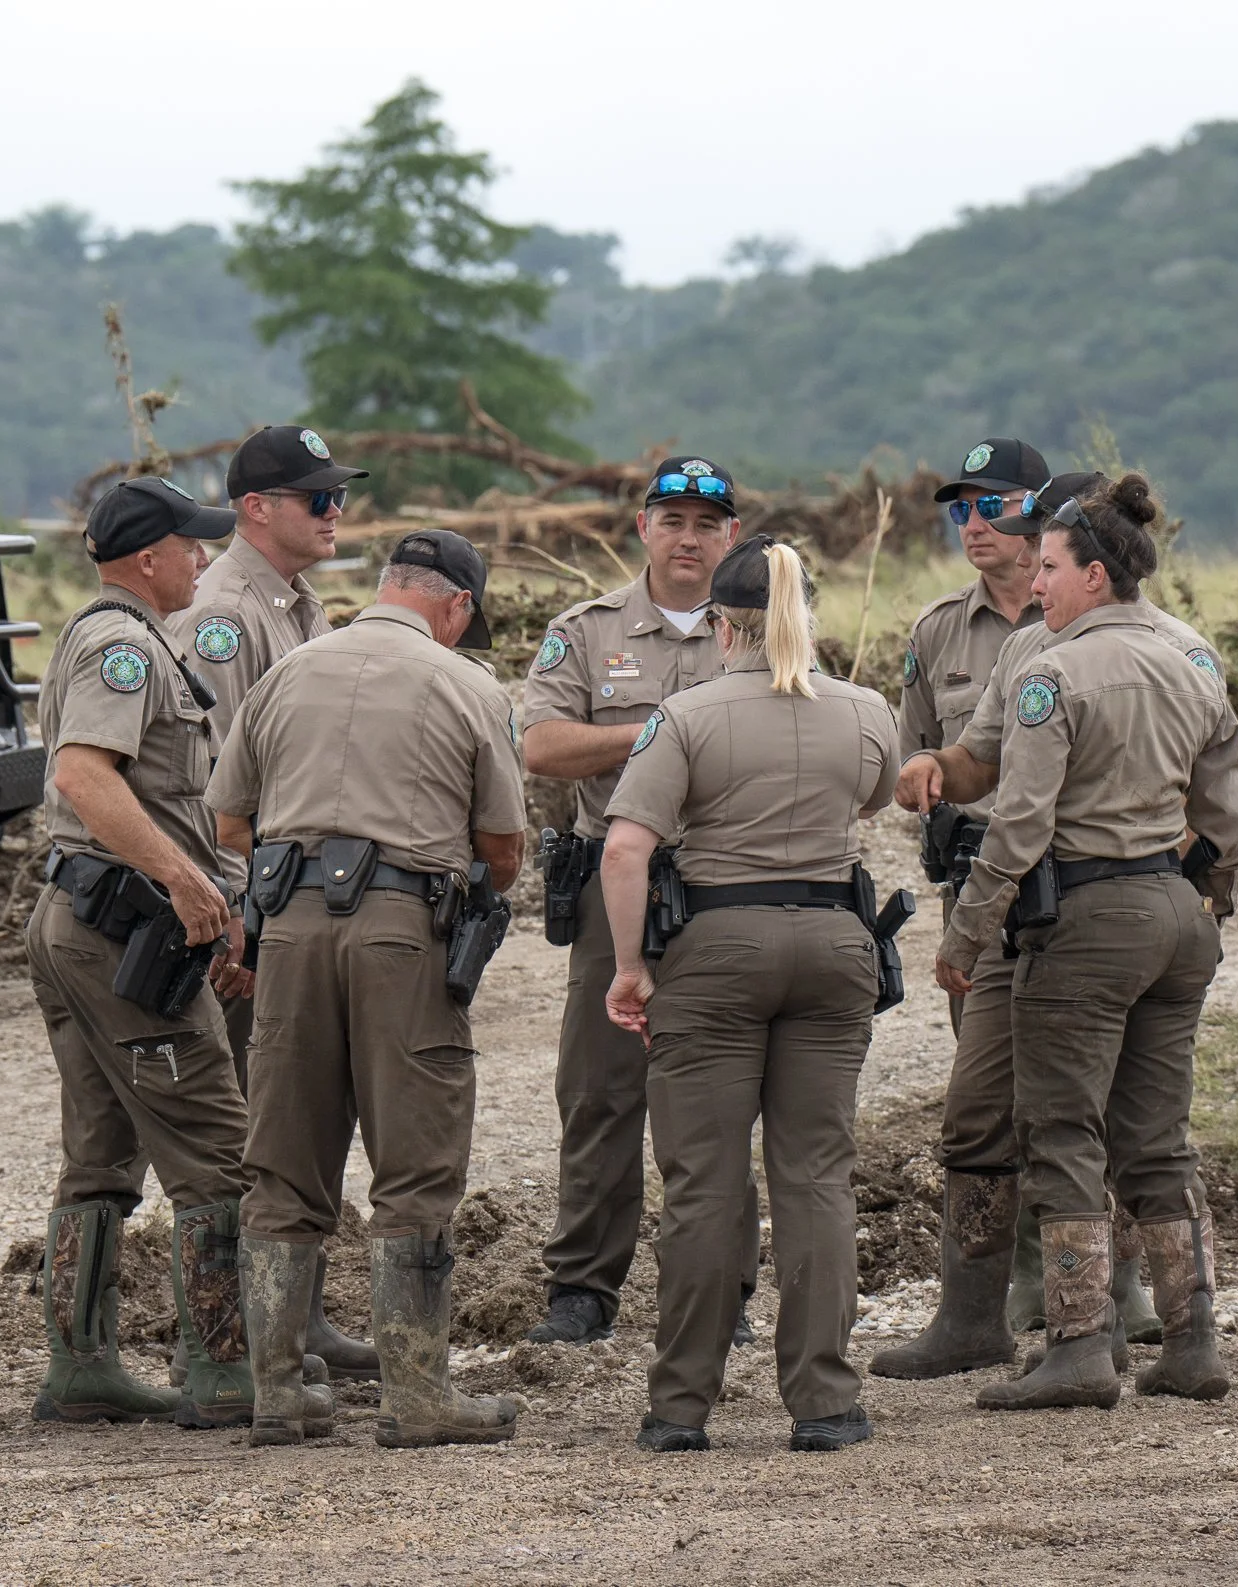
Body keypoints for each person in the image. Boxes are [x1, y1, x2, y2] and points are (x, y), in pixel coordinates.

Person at [890, 470, 1238, 1371]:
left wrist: (964, 931)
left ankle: (1083, 1340)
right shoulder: (1155, 656)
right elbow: (1227, 819)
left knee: (1064, 1126)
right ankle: (1173, 1339)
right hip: (1149, 913)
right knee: (1010, 1116)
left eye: (1048, 561)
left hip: (1059, 913)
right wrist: (1205, 898)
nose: (1034, 579)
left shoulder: (1065, 660)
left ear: (1094, 568)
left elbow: (1020, 821)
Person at [208, 528, 530, 1447]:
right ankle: (418, 1394)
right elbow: (503, 849)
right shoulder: (469, 685)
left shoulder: (287, 673)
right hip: (403, 930)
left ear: (387, 585)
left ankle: (276, 1389)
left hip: (291, 930)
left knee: (284, 1154)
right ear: (456, 605)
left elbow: (230, 818)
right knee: (417, 1159)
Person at [600, 534, 901, 1453]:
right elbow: (877, 800)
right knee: (817, 1175)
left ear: (722, 624)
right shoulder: (866, 710)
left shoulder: (686, 716)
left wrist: (629, 967)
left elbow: (625, 847)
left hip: (718, 950)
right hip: (833, 943)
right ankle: (825, 1399)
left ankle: (681, 1404)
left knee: (704, 1182)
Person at [24, 476, 281, 1429]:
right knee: (217, 1146)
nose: (204, 559)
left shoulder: (109, 637)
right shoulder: (125, 648)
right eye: (191, 545)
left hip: (84, 922)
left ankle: (81, 1365)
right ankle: (224, 1369)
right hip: (122, 932)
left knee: (101, 1151)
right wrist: (185, 879)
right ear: (146, 558)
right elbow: (84, 774)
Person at [519, 456, 762, 1347]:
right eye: (673, 519)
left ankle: (725, 1286)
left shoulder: (765, 626)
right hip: (613, 879)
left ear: (731, 534)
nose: (689, 537)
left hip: (728, 882)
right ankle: (582, 1286)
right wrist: (660, 734)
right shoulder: (586, 632)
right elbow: (540, 744)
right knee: (598, 1090)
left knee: (721, 1093)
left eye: (707, 522)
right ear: (642, 528)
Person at [166, 422, 376, 1388]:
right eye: (318, 499)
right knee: (261, 1117)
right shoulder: (224, 614)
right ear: (258, 508)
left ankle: (299, 1315)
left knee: (302, 1110)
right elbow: (213, 782)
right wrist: (238, 908)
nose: (337, 512)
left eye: (338, 496)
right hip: (254, 893)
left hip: (300, 890)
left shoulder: (297, 604)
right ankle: (252, 1335)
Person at [866, 437, 1043, 1381]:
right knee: (984, 1091)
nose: (973, 524)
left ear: (1039, 515)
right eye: (961, 509)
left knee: (1092, 1091)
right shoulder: (938, 631)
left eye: (993, 506)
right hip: (975, 890)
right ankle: (995, 1298)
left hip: (1078, 890)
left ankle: (1103, 1292)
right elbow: (913, 758)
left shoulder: (1089, 614)